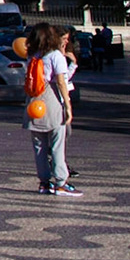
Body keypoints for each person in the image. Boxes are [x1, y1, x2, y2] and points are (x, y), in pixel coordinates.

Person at [26, 23, 81, 196]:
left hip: (33, 101)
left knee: (39, 146)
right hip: (52, 100)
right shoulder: (55, 56)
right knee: (57, 143)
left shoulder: (32, 56)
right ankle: (61, 183)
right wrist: (68, 105)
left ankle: (44, 182)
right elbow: (61, 82)